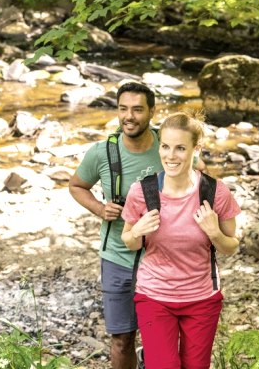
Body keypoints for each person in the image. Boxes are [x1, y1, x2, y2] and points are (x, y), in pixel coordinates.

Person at [121, 112, 241, 369]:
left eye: (180, 148)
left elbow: (232, 246)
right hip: (154, 295)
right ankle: (152, 359)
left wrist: (215, 233)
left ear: (196, 149)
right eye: (165, 146)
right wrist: (137, 231)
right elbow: (128, 242)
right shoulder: (142, 191)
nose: (170, 156)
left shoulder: (214, 192)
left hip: (202, 298)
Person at [69, 81, 162, 369]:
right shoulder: (102, 152)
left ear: (151, 112)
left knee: (160, 336)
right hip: (117, 257)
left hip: (163, 258)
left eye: (137, 109)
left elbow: (198, 178)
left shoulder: (170, 144)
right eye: (123, 109)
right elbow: (76, 186)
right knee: (122, 338)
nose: (128, 116)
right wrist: (100, 208)